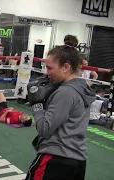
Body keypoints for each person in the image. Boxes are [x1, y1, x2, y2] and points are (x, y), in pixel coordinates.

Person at [26, 35, 96, 180]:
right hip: (78, 159)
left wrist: (37, 105)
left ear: (65, 67)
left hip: (56, 158)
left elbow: (45, 129)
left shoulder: (65, 92)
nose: (47, 72)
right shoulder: (81, 88)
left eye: (50, 68)